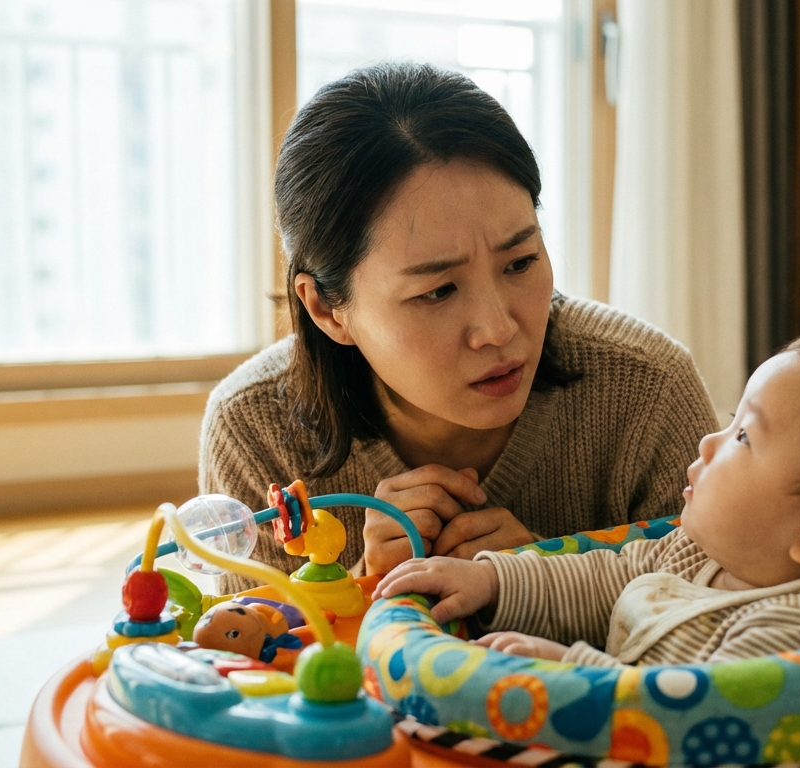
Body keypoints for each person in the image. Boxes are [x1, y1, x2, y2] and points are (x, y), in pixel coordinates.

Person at [200, 62, 718, 594]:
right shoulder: (254, 428)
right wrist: (355, 587)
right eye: (437, 291)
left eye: (519, 261)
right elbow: (247, 656)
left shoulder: (646, 387)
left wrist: (545, 577)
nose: (497, 329)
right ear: (328, 309)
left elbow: (732, 617)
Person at [374, 328, 800, 666]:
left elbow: (689, 709)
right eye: (731, 418)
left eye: (745, 436)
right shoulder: (698, 554)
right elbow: (604, 577)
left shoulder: (797, 630)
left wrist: (567, 669)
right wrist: (492, 583)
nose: (709, 439)